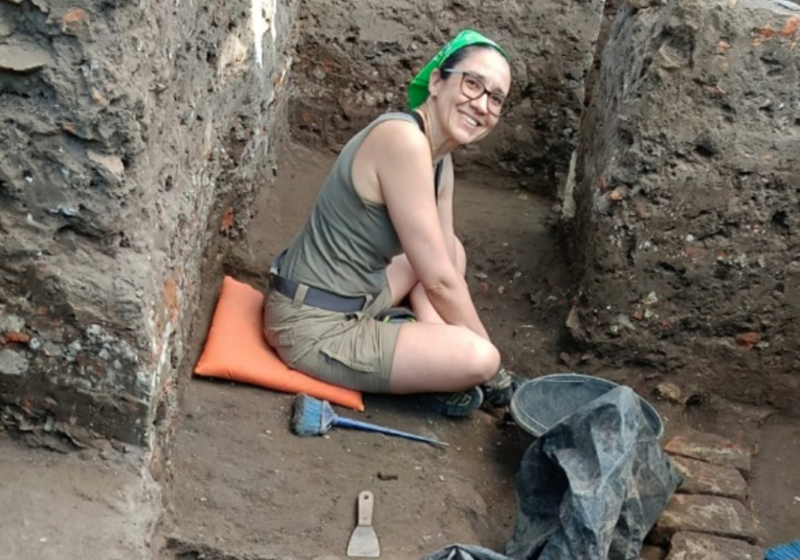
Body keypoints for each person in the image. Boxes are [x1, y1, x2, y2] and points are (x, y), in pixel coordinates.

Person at [264, 29, 520, 416]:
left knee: (452, 249)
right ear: (436, 81)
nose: (481, 104)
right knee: (480, 358)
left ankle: (433, 358)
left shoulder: (439, 159)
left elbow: (443, 263)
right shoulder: (403, 140)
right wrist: (496, 373)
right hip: (313, 326)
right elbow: (439, 282)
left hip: (360, 295)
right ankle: (442, 366)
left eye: (495, 98)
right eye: (472, 84)